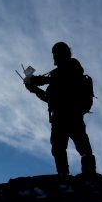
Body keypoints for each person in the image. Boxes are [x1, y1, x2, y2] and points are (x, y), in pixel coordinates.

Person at [24, 42, 96, 176]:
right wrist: (34, 89)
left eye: (57, 54)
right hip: (67, 115)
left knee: (70, 147)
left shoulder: (69, 70)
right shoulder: (65, 72)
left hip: (69, 115)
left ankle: (72, 177)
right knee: (64, 148)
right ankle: (80, 176)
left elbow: (45, 82)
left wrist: (31, 81)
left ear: (64, 54)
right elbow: (49, 98)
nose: (55, 57)